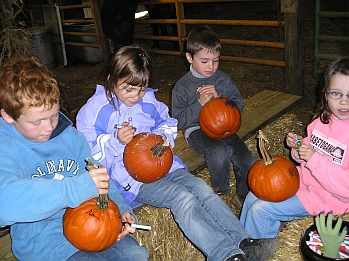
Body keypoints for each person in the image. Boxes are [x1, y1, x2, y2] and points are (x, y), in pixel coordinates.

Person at [76, 44, 280, 261]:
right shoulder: (93, 111)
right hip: (132, 178)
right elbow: (88, 158)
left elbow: (167, 122)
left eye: (142, 89)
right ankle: (225, 255)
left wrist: (164, 138)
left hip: (164, 164)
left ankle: (243, 241)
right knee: (182, 198)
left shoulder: (147, 100)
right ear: (111, 79)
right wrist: (116, 142)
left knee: (201, 188)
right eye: (128, 89)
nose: (136, 96)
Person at [0, 57, 149, 261]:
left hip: (91, 224)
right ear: (8, 115)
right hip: (44, 242)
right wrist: (77, 188)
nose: (49, 127)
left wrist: (121, 211)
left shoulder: (70, 137)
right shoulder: (5, 147)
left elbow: (100, 179)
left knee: (137, 255)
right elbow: (5, 205)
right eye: (36, 122)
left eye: (53, 115)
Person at [240, 58, 349, 239]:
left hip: (328, 198)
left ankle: (258, 248)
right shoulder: (320, 123)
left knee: (262, 209)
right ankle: (241, 241)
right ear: (325, 94)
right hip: (304, 182)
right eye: (336, 94)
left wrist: (314, 159)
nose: (344, 101)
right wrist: (298, 148)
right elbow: (307, 155)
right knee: (253, 196)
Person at [171, 25, 257, 205]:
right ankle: (221, 191)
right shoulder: (182, 87)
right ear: (189, 58)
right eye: (204, 61)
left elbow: (238, 104)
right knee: (219, 151)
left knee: (248, 160)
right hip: (196, 129)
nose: (211, 66)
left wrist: (220, 101)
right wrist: (200, 103)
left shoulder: (223, 80)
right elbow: (178, 121)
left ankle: (241, 197)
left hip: (225, 128)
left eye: (216, 60)